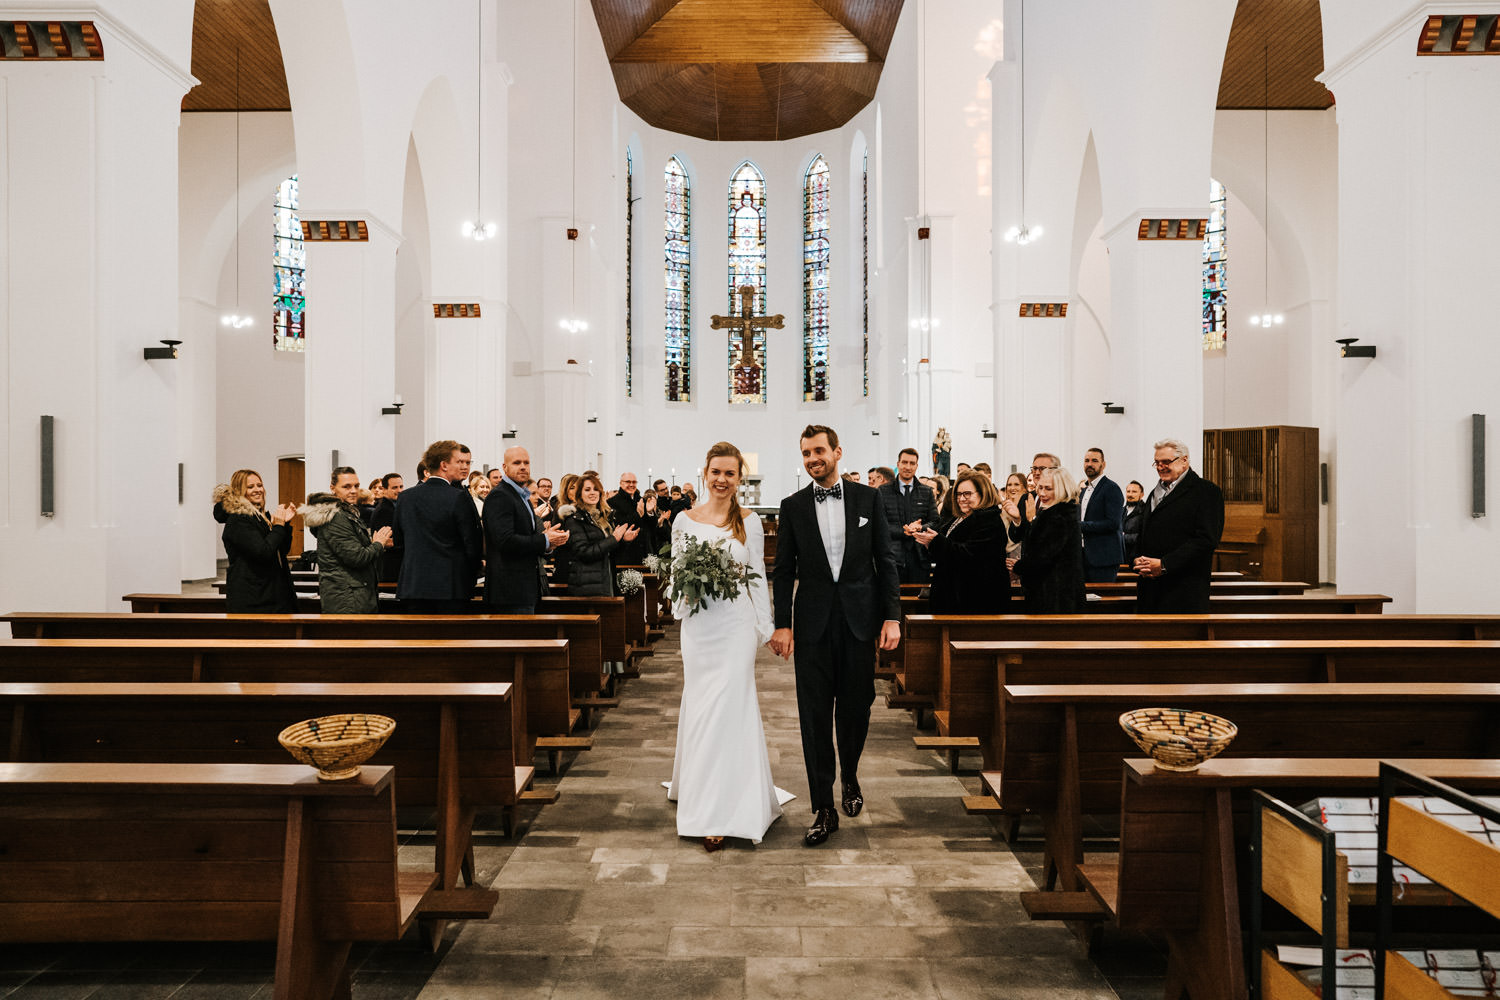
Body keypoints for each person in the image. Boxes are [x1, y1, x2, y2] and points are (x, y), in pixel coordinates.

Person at [769, 425, 901, 847]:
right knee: (813, 716)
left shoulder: (869, 498)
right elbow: (784, 570)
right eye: (806, 453)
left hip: (860, 622)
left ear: (837, 452)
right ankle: (823, 805)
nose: (812, 459)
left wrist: (892, 617)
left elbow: (886, 559)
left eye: (819, 451)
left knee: (856, 709)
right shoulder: (793, 506)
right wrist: (782, 623)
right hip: (812, 625)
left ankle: (851, 776)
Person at [667, 441, 785, 852]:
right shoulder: (683, 520)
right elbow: (676, 572)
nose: (721, 480)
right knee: (701, 707)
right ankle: (701, 795)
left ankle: (728, 806)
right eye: (715, 472)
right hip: (700, 626)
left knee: (730, 708)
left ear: (739, 479)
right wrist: (682, 599)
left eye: (729, 474)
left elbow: (756, 577)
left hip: (734, 626)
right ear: (705, 472)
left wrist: (767, 628)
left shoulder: (749, 522)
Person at [1133, 438, 1225, 612]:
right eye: (1157, 463)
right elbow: (1145, 532)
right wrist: (1137, 559)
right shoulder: (1155, 492)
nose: (1161, 467)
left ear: (1184, 461)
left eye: (1166, 462)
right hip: (1150, 588)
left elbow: (1206, 540)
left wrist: (1164, 564)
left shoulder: (1206, 491)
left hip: (1184, 589)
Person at [394, 440, 483, 613]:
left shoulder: (405, 497)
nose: (463, 466)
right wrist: (474, 571)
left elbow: (399, 540)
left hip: (413, 585)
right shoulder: (458, 497)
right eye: (458, 462)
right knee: (449, 638)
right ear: (444, 465)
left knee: (417, 639)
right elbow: (471, 544)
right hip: (450, 586)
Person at [483, 446, 568, 614]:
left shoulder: (523, 497)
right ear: (505, 467)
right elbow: (505, 541)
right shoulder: (500, 496)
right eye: (516, 463)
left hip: (524, 588)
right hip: (509, 591)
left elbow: (526, 538)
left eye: (526, 462)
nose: (523, 466)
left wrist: (548, 544)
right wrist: (544, 540)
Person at [912, 470, 1009, 614]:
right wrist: (930, 543)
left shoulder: (989, 520)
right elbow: (948, 549)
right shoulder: (958, 517)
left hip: (976, 597)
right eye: (958, 494)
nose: (961, 499)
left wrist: (936, 541)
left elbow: (971, 555)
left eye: (967, 494)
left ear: (982, 493)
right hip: (954, 593)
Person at [300, 467, 393, 613]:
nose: (354, 490)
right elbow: (356, 557)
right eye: (347, 486)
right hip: (347, 598)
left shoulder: (345, 512)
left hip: (352, 593)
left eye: (356, 485)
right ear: (333, 488)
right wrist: (378, 544)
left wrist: (375, 543)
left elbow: (351, 548)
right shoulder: (336, 518)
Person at [212, 469, 298, 613]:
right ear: (239, 491)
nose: (258, 490)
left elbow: (281, 551)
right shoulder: (239, 519)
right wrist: (278, 526)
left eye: (260, 485)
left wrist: (285, 524)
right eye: (250, 487)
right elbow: (263, 552)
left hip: (271, 594)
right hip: (255, 599)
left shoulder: (259, 517)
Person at [1013, 466, 1086, 613]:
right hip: (1055, 591)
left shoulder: (1058, 516)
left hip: (1055, 595)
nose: (1042, 493)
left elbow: (1042, 557)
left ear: (1062, 489)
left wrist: (1018, 566)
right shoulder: (1058, 512)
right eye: (1040, 487)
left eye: (1048, 489)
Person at [560, 474, 637, 596]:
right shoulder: (574, 519)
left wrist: (623, 541)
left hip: (605, 579)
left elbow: (610, 553)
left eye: (596, 489)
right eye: (587, 489)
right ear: (579, 493)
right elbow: (583, 552)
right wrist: (614, 538)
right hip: (587, 585)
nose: (593, 493)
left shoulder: (603, 518)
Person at [879, 447, 938, 584]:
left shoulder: (926, 492)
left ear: (917, 466)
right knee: (893, 600)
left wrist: (920, 528)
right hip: (893, 557)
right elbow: (880, 523)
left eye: (912, 463)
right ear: (898, 464)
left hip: (920, 556)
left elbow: (935, 521)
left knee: (919, 601)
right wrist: (903, 531)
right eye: (904, 462)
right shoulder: (883, 491)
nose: (908, 467)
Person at [1079, 447, 1125, 582]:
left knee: (1101, 599)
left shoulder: (1111, 488)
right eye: (1086, 461)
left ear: (1103, 464)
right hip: (1084, 555)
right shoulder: (1084, 490)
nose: (1089, 464)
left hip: (1103, 557)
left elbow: (1113, 523)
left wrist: (1080, 526)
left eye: (1094, 461)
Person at [606, 472, 653, 566]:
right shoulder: (612, 502)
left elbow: (651, 527)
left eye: (634, 482)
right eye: (628, 482)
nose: (631, 485)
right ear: (621, 483)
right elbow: (618, 525)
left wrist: (649, 513)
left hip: (644, 551)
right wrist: (637, 514)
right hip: (625, 552)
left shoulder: (641, 500)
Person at [371, 472, 404, 583]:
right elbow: (387, 542)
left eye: (401, 486)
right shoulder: (384, 510)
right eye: (394, 487)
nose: (399, 490)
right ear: (384, 489)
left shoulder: (394, 506)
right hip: (390, 564)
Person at [999, 471, 1027, 586]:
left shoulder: (1027, 506)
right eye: (1009, 485)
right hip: (1004, 555)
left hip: (1021, 553)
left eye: (1016, 484)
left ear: (1024, 488)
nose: (1012, 488)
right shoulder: (1001, 510)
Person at [1122, 480, 1147, 563]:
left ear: (1142, 494)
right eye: (1128, 491)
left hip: (1136, 559)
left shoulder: (1146, 511)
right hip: (1120, 557)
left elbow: (1145, 536)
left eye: (1134, 492)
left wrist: (1123, 537)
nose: (1130, 494)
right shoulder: (1121, 511)